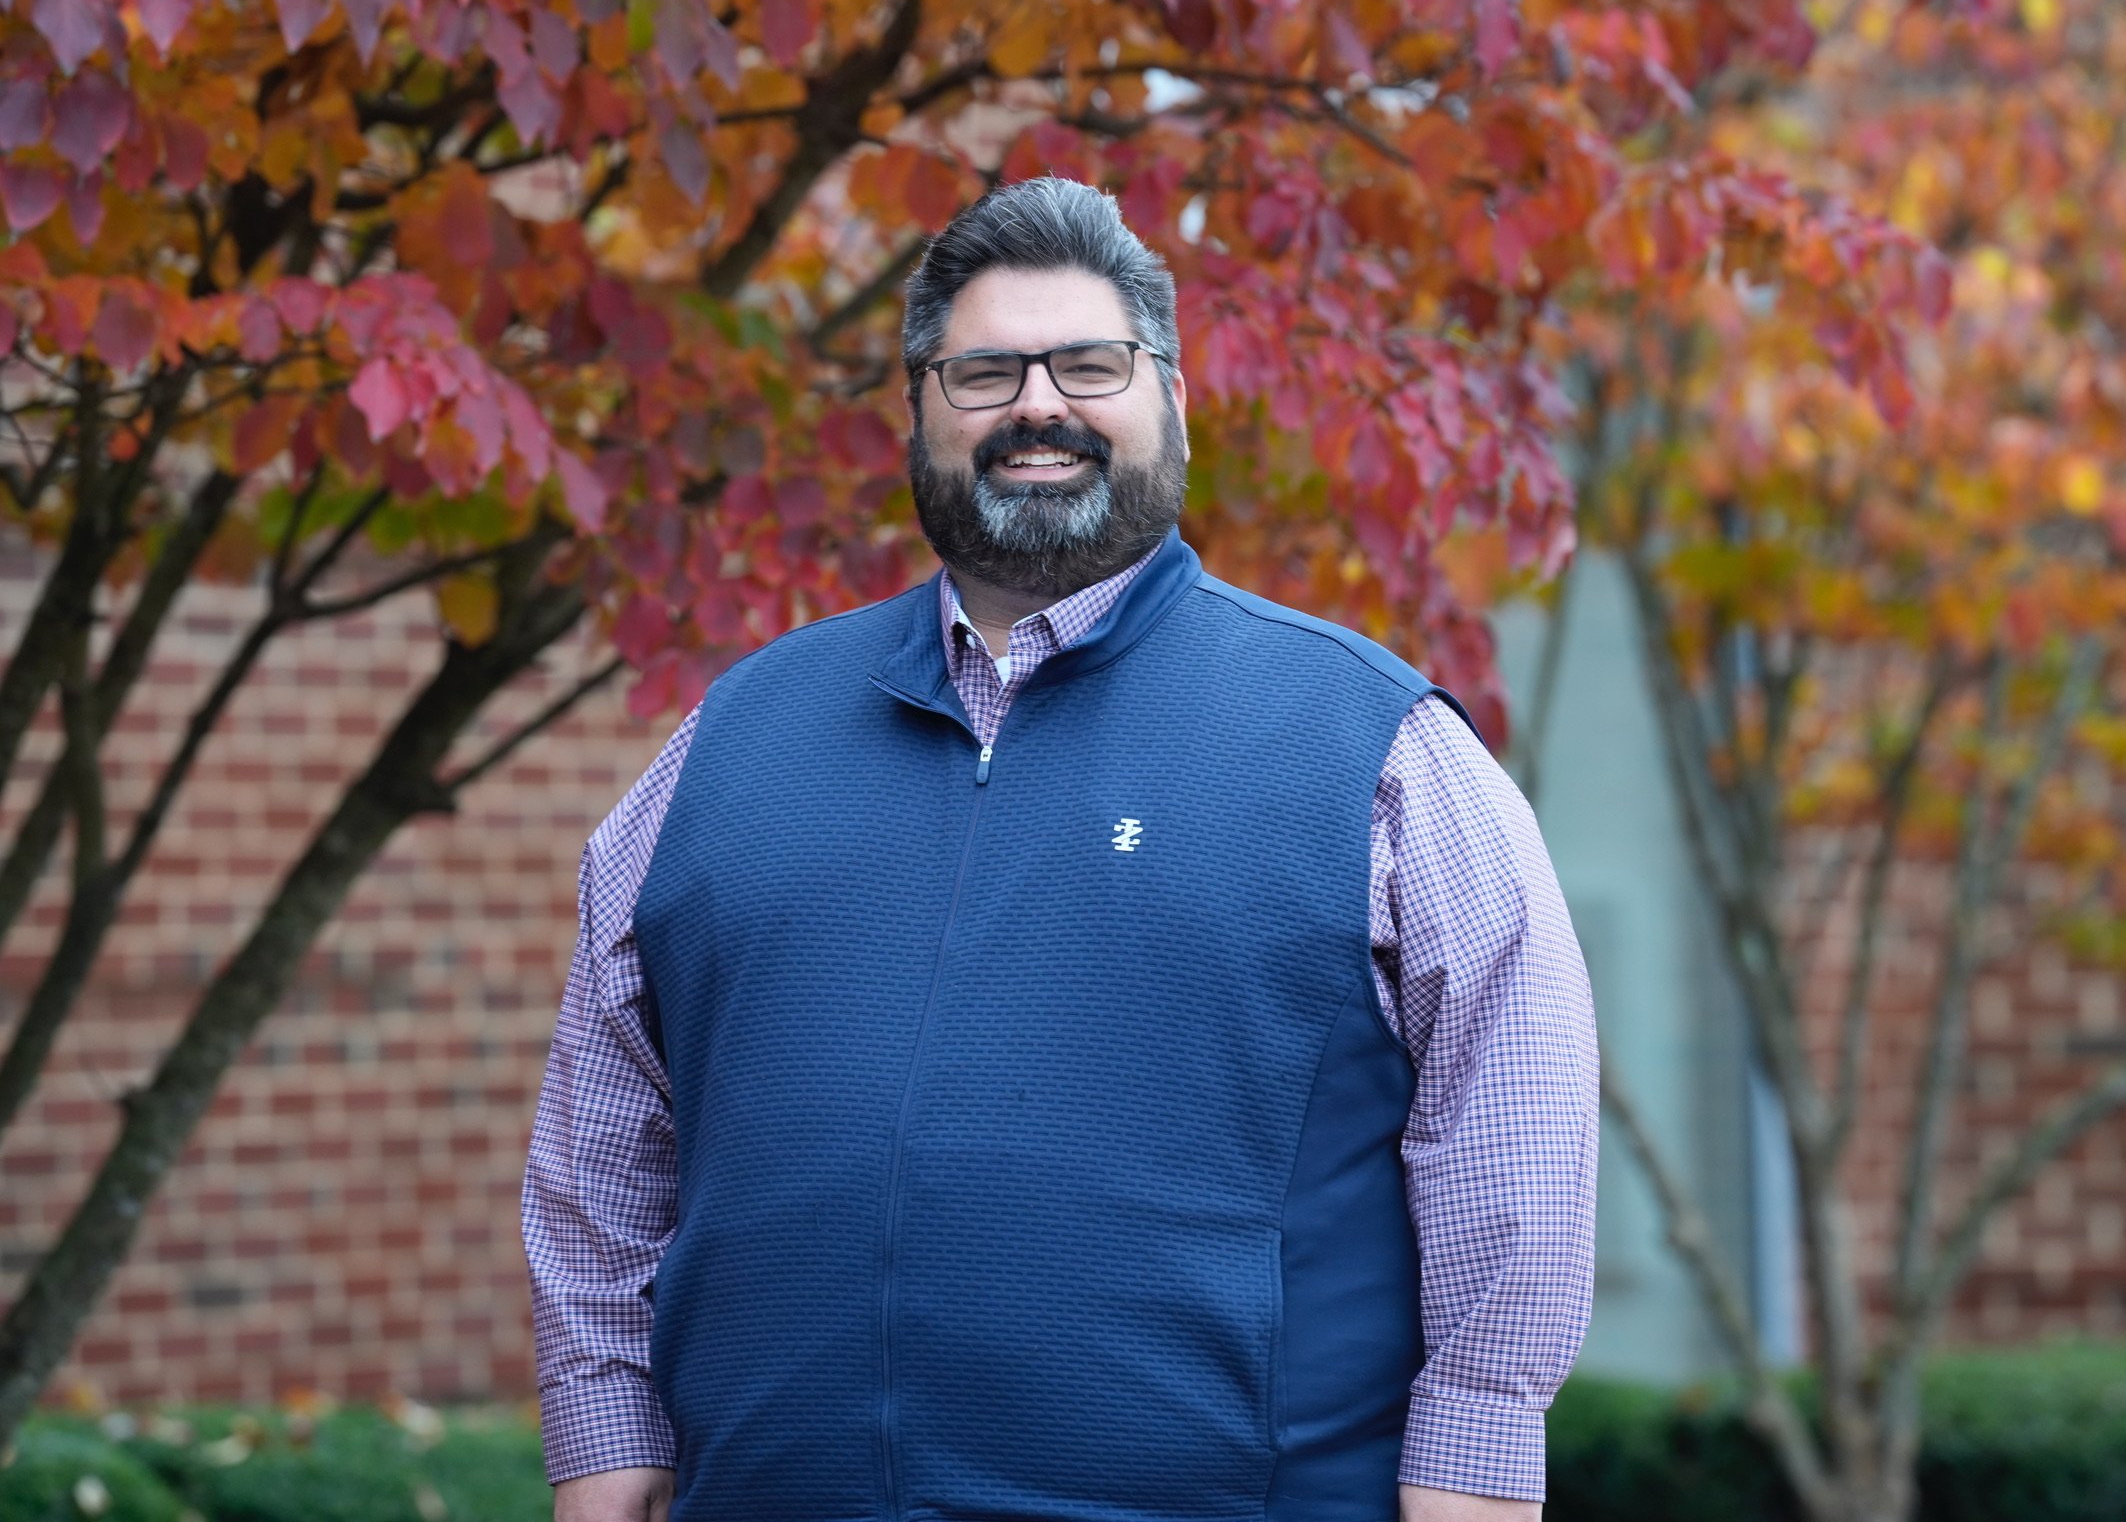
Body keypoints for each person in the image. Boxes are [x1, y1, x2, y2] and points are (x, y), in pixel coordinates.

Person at [522, 176, 1599, 1522]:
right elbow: (603, 1129)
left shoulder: (1373, 744)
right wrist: (605, 1441)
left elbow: (1510, 1136)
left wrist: (1479, 1483)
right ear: (918, 412)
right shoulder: (734, 738)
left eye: (1089, 363)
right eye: (983, 371)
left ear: (1175, 402)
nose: (1039, 404)